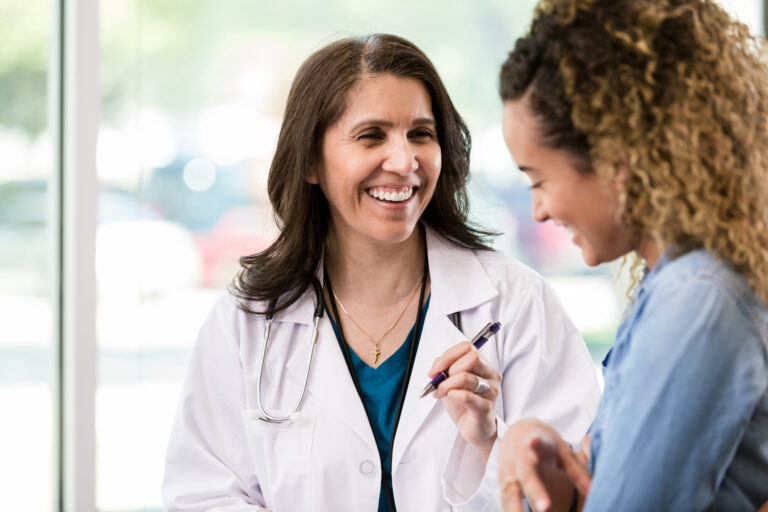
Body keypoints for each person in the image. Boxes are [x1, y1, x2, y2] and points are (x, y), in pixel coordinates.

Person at [162, 33, 600, 512]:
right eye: (371, 135)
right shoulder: (246, 320)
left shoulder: (516, 306)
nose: (404, 161)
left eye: (421, 134)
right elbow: (201, 496)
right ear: (310, 159)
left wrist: (488, 442)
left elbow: (584, 489)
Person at [497, 0, 768, 510]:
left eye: (540, 180)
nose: (537, 211)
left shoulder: (696, 302)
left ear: (615, 160)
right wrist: (541, 456)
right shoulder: (673, 285)